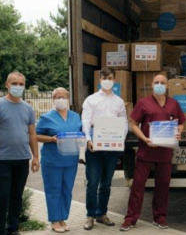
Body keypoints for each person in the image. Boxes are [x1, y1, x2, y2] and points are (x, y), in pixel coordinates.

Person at [120, 74, 186, 232]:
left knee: (163, 186)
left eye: (162, 83)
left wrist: (178, 132)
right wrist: (144, 138)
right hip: (146, 151)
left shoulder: (173, 104)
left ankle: (160, 217)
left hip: (165, 152)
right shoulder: (143, 103)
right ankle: (130, 219)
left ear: (167, 86)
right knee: (138, 186)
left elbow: (181, 122)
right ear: (152, 85)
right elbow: (134, 124)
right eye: (156, 82)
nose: (159, 85)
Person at [82, 67, 128, 230]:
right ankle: (90, 216)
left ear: (114, 80)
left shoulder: (119, 102)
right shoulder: (91, 100)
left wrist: (120, 139)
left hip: (112, 148)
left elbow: (124, 123)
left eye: (110, 78)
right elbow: (86, 122)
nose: (107, 80)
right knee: (93, 183)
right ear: (100, 79)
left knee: (106, 183)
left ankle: (101, 214)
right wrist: (88, 140)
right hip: (94, 147)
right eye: (104, 77)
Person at [36, 87, 82, 233]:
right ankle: (55, 220)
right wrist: (51, 139)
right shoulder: (46, 117)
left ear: (68, 99)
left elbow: (81, 134)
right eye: (57, 97)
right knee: (53, 189)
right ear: (53, 99)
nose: (60, 99)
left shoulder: (75, 116)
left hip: (70, 160)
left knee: (66, 190)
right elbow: (35, 136)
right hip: (52, 161)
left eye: (63, 96)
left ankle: (62, 217)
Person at [0, 72, 39, 235]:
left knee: (17, 197)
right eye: (14, 83)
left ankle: (13, 229)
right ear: (6, 85)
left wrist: (36, 156)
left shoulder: (28, 108)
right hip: (3, 160)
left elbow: (32, 134)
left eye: (21, 84)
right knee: (2, 198)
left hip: (22, 158)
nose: (18, 86)